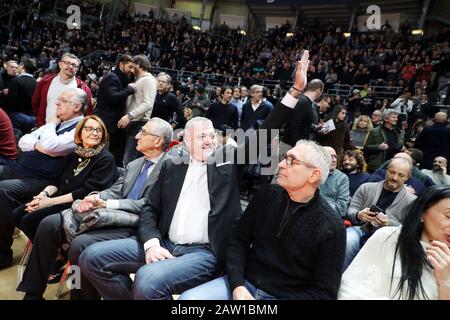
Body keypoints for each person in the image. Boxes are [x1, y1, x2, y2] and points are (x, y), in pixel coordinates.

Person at [78, 51, 312, 300]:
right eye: (202, 137)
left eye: (212, 136)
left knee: (147, 281)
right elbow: (149, 210)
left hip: (203, 252)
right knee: (90, 258)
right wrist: (152, 244)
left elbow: (265, 133)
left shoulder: (228, 162)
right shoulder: (172, 166)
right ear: (186, 142)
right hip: (165, 243)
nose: (210, 141)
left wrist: (295, 92)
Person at [16, 117, 173, 300]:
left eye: (143, 132)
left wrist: (106, 204)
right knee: (48, 225)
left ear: (158, 141)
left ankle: (79, 295)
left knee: (78, 245)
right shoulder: (135, 164)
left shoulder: (169, 167)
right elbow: (115, 191)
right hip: (111, 215)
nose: (137, 136)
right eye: (88, 129)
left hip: (139, 223)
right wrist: (95, 198)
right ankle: (33, 293)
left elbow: (149, 204)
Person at [179, 140, 345, 300]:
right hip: (243, 283)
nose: (280, 164)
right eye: (284, 158)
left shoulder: (332, 227)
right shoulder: (266, 195)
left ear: (314, 175)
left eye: (291, 161)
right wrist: (237, 285)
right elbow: (238, 241)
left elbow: (324, 293)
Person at [0, 88, 86, 270]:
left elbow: (52, 145)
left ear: (76, 106)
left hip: (46, 181)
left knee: (3, 190)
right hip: (24, 170)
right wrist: (41, 144)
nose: (56, 103)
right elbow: (24, 141)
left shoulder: (81, 128)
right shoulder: (57, 124)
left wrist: (48, 129)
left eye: (62, 100)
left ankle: (2, 254)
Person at [12, 115, 116, 241]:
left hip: (78, 205)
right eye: (89, 129)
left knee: (30, 220)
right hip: (60, 199)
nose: (95, 133)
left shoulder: (105, 158)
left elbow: (86, 191)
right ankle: (49, 248)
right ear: (80, 132)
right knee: (17, 214)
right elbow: (56, 180)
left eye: (99, 130)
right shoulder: (74, 154)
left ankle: (55, 252)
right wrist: (42, 196)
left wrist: (49, 202)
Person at [339, 185, 450, 300]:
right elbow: (353, 287)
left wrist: (445, 282)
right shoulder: (388, 238)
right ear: (422, 213)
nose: (395, 177)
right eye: (449, 216)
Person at [344, 157, 417, 269]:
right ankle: (341, 278)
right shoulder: (366, 187)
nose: (394, 177)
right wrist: (359, 214)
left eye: (401, 175)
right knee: (348, 240)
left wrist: (389, 223)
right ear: (386, 171)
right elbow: (351, 209)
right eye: (392, 172)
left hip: (389, 238)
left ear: (408, 177)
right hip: (361, 229)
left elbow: (409, 229)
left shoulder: (411, 201)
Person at [94, 54, 136, 166]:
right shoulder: (111, 77)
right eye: (130, 67)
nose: (132, 70)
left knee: (116, 151)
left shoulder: (120, 78)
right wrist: (129, 89)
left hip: (113, 122)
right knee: (105, 152)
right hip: (107, 122)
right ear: (121, 64)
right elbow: (113, 98)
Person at [32, 53, 92, 127]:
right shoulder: (45, 82)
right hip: (44, 127)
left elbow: (87, 113)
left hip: (68, 133)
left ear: (77, 69)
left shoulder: (84, 89)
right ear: (60, 64)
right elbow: (35, 103)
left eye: (74, 65)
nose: (70, 66)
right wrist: (39, 121)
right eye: (67, 63)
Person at [117, 55, 157, 166]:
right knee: (126, 159)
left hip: (139, 122)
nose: (130, 68)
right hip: (133, 122)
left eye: (132, 65)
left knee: (129, 160)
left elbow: (148, 104)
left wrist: (129, 115)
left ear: (138, 65)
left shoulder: (148, 80)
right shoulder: (140, 80)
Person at [3, 58, 37, 134]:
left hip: (18, 118)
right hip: (33, 119)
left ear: (22, 66)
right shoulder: (37, 83)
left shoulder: (15, 81)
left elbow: (10, 103)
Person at [364, 108, 405, 173]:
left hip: (394, 167)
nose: (396, 119)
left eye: (396, 117)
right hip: (378, 167)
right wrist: (379, 147)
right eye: (393, 117)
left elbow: (401, 145)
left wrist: (402, 148)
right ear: (386, 119)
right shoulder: (375, 131)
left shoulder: (399, 132)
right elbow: (366, 148)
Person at [320, 147, 350, 218]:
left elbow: (342, 208)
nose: (334, 160)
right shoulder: (309, 173)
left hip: (329, 218)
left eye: (335, 157)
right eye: (330, 157)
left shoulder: (342, 178)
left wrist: (316, 205)